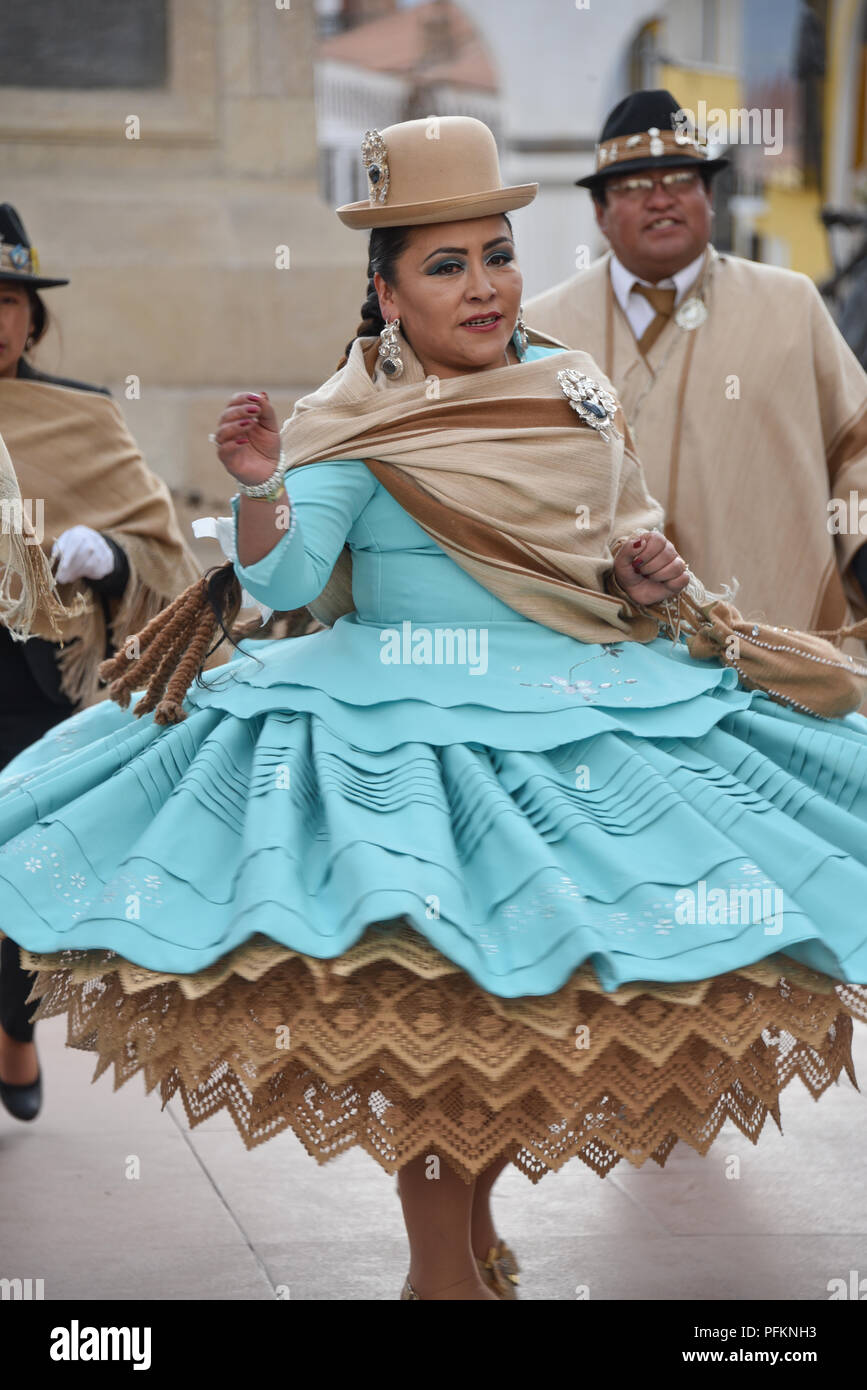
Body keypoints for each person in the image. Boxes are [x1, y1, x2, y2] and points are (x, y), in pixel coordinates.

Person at [0, 118, 865, 1302]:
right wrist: (264, 493)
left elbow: (619, 535)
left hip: (570, 718)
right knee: (436, 1038)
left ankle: (477, 1237)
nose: (485, 285)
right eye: (446, 264)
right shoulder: (356, 415)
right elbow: (290, 587)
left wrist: (644, 577)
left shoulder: (572, 385)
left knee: (512, 1022)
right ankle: (435, 1280)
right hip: (401, 738)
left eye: (497, 254)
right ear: (387, 290)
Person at [0, 204, 225, 1123]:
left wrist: (110, 555)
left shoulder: (81, 416)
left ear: (34, 318)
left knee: (17, 870)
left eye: (11, 300)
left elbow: (165, 552)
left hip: (33, 681)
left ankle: (14, 1030)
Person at [525, 90, 867, 665]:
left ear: (710, 196)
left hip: (780, 648)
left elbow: (857, 449)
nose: (660, 200)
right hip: (600, 650)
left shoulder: (790, 306)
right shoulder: (541, 329)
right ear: (601, 212)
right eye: (634, 187)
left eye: (681, 180)